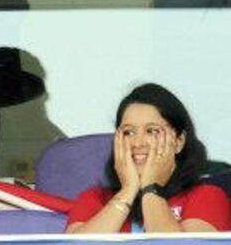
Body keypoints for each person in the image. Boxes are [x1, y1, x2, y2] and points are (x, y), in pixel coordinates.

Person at [66, 83, 230, 233]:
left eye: (152, 131)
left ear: (179, 141)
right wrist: (128, 190)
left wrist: (151, 189)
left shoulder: (206, 196)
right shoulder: (95, 198)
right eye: (129, 132)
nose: (138, 143)